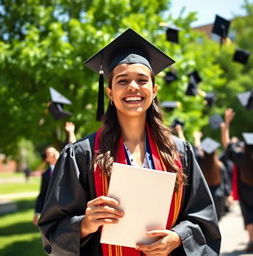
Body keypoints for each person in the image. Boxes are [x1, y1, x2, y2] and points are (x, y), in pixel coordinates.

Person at [38, 28, 221, 256]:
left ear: (153, 91)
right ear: (110, 93)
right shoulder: (82, 155)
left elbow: (204, 220)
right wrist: (85, 224)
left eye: (142, 80)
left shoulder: (180, 152)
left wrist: (177, 237)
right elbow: (51, 231)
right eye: (122, 81)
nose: (133, 86)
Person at [221, 108, 253, 253]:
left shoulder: (241, 157)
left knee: (249, 215)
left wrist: (226, 123)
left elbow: (226, 143)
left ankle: (252, 241)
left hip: (245, 191)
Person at [33, 122, 76, 225]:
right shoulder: (46, 175)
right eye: (50, 153)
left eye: (54, 150)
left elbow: (73, 147)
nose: (54, 153)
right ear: (46, 159)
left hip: (72, 205)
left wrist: (70, 132)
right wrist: (37, 213)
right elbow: (42, 194)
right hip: (55, 210)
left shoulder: (66, 163)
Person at [192, 132, 228, 220]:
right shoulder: (220, 165)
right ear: (215, 152)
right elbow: (225, 183)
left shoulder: (199, 162)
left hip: (204, 196)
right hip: (218, 196)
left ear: (203, 151)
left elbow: (195, 150)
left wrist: (197, 138)